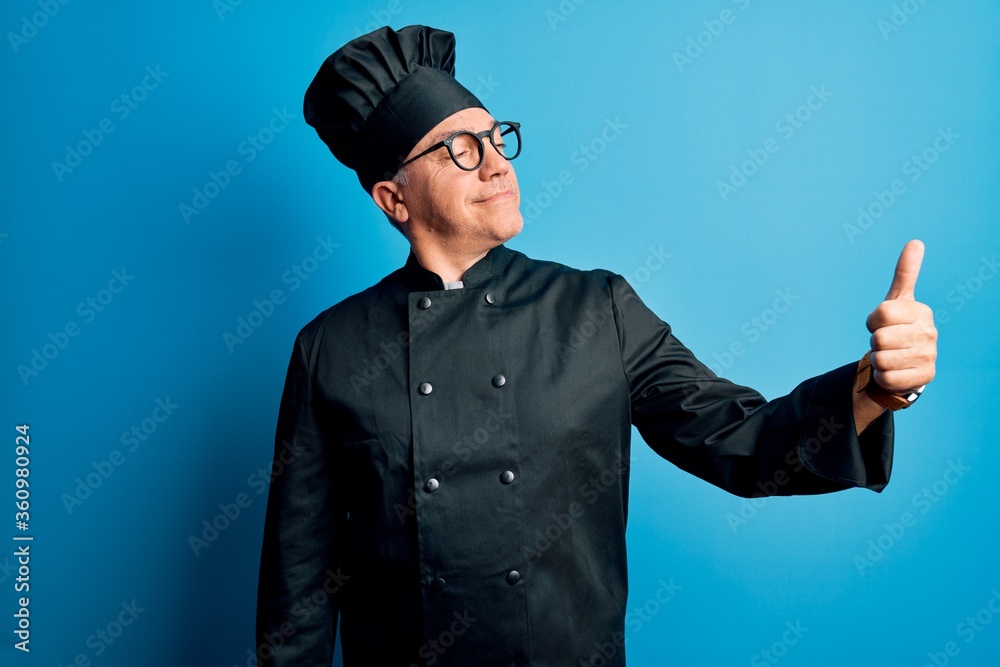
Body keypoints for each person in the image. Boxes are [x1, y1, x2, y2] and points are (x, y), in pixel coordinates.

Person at [254, 24, 937, 667]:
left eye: (496, 138)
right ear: (392, 199)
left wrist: (874, 387)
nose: (496, 164)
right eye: (459, 149)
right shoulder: (332, 348)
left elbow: (748, 442)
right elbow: (299, 588)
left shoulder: (595, 309)